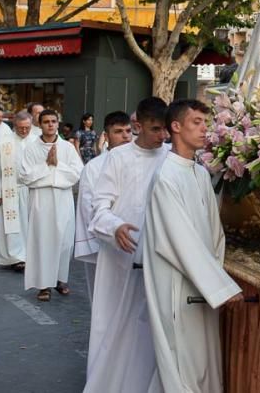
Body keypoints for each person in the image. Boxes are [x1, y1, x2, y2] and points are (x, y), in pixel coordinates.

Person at [141, 99, 243, 392]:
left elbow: (214, 234)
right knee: (181, 364)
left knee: (205, 362)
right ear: (175, 127)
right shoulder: (165, 177)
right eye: (196, 122)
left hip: (204, 284)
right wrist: (219, 286)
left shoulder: (199, 173)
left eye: (205, 123)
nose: (204, 130)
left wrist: (216, 274)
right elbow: (177, 239)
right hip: (178, 285)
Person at [82, 103, 167, 393]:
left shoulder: (171, 157)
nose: (162, 135)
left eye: (165, 128)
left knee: (150, 328)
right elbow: (99, 207)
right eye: (156, 128)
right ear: (138, 126)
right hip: (120, 256)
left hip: (158, 257)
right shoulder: (117, 158)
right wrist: (115, 226)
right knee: (116, 325)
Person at [75, 109, 140, 300]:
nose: (125, 136)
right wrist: (110, 233)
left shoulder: (140, 162)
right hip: (105, 244)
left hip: (136, 242)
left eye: (128, 131)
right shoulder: (94, 167)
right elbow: (89, 208)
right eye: (118, 132)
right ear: (106, 135)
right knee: (104, 299)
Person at [20, 109, 82, 301]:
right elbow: (24, 176)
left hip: (62, 199)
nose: (50, 125)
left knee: (64, 241)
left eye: (53, 121)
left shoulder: (68, 148)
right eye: (46, 121)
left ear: (58, 123)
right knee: (43, 241)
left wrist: (57, 165)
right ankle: (43, 284)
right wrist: (47, 165)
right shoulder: (31, 148)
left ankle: (59, 278)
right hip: (41, 200)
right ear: (40, 124)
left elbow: (77, 173)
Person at [0, 112, 36, 271]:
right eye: (21, 128)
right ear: (15, 126)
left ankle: (31, 255)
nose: (24, 131)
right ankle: (15, 257)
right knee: (12, 226)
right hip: (10, 189)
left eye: (27, 128)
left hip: (32, 190)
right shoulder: (4, 142)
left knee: (30, 224)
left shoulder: (37, 141)